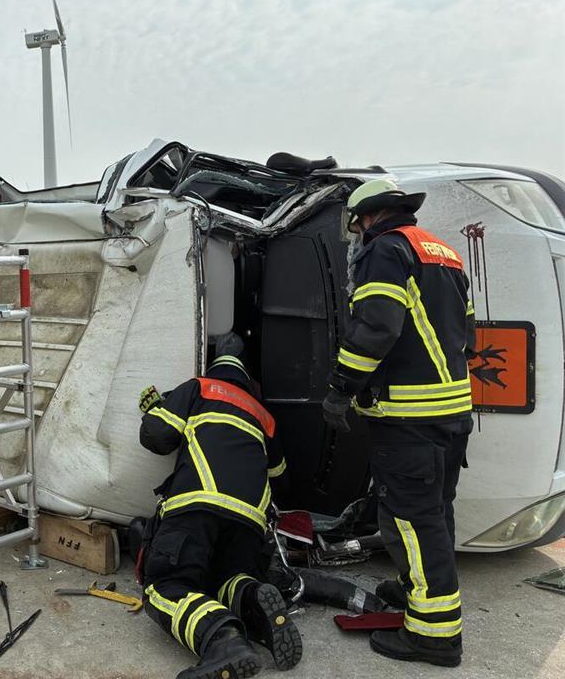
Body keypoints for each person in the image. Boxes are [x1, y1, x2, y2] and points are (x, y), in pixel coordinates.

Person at [323, 178, 473, 667]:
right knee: (435, 512)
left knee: (413, 520)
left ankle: (433, 637)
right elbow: (467, 333)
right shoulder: (444, 252)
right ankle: (418, 589)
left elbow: (377, 328)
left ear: (366, 218)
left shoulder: (385, 251)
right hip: (451, 412)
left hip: (409, 418)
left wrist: (341, 388)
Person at [138, 355, 302, 679]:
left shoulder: (199, 388)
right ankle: (254, 600)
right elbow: (282, 480)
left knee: (165, 586)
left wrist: (156, 408)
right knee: (226, 580)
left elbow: (156, 437)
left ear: (213, 370)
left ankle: (222, 640)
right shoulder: (263, 415)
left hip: (197, 505)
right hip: (249, 521)